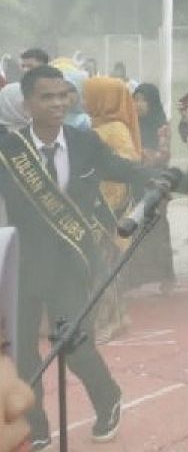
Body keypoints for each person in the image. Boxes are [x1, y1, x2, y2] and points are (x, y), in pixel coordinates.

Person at [2, 65, 159, 447]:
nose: (58, 103)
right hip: (21, 266)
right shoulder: (10, 150)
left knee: (75, 346)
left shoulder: (84, 141)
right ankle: (35, 428)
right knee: (22, 355)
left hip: (71, 261)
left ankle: (108, 400)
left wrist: (167, 179)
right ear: (27, 103)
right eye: (47, 96)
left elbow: (122, 169)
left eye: (63, 95)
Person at [82, 76, 143, 344]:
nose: (84, 101)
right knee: (104, 265)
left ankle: (109, 320)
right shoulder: (102, 125)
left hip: (108, 207)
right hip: (101, 202)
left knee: (103, 265)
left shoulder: (115, 128)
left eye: (89, 96)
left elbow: (125, 165)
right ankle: (117, 316)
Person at [126, 83, 176, 294]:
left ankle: (167, 277)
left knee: (157, 229)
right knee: (134, 229)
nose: (138, 105)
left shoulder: (161, 126)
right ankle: (136, 277)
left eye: (143, 100)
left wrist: (137, 155)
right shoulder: (130, 125)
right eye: (135, 100)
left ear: (152, 102)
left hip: (155, 184)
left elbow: (163, 155)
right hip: (134, 183)